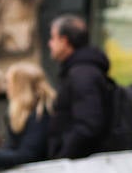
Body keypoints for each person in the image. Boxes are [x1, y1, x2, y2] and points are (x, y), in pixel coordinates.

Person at [45, 14, 115, 159]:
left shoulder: (82, 75)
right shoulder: (79, 72)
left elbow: (88, 125)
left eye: (53, 38)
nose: (49, 44)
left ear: (64, 41)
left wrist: (63, 154)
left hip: (80, 167)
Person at [0, 60, 56, 171]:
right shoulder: (23, 116)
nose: (7, 88)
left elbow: (27, 155)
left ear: (19, 87)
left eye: (8, 83)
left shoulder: (40, 114)